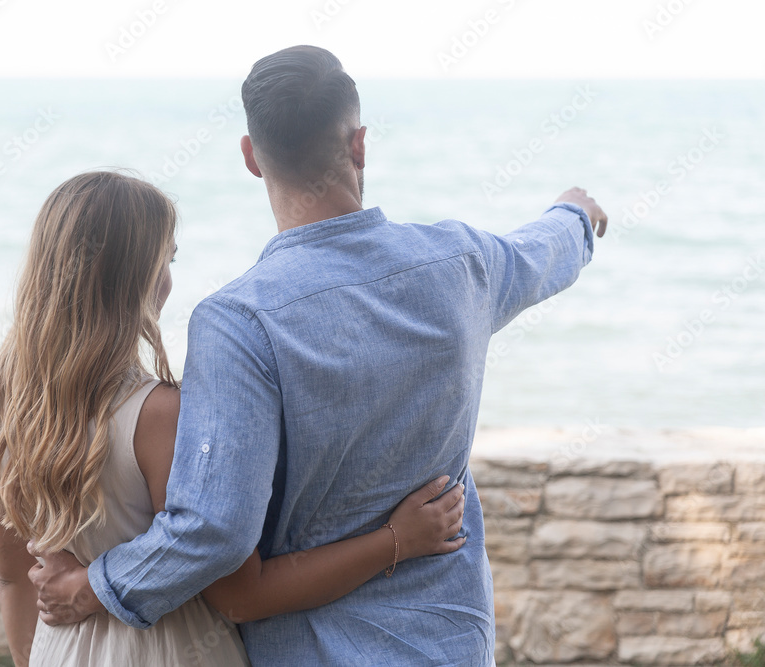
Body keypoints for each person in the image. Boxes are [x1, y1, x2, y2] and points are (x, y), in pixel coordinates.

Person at [31, 46, 608, 665]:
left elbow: (213, 531)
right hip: (448, 646)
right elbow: (543, 252)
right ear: (359, 145)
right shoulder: (461, 264)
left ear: (252, 158)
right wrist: (575, 213)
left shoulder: (237, 322)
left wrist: (95, 585)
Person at [0, 171, 470, 666]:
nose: (169, 279)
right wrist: (397, 539)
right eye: (165, 259)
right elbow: (241, 595)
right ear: (135, 276)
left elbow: (15, 581)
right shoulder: (158, 415)